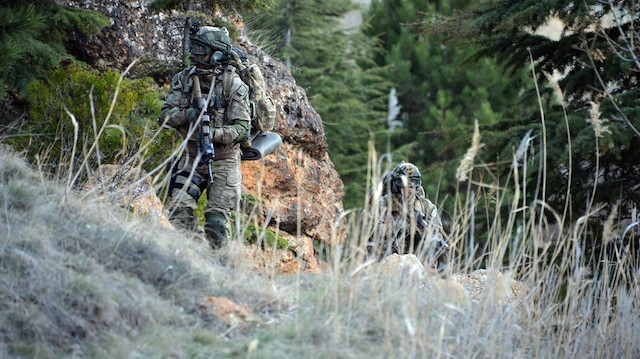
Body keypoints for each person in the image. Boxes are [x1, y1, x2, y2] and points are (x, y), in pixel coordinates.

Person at [158, 23, 251, 248]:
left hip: (224, 161)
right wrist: (189, 115)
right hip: (190, 157)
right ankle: (193, 255)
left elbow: (242, 129)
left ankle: (219, 267)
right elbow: (165, 117)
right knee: (179, 214)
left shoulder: (233, 85)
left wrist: (214, 134)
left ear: (216, 53)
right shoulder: (184, 79)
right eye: (193, 47)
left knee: (216, 227)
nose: (193, 53)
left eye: (200, 49)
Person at [368, 161, 449, 271]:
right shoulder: (383, 204)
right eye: (405, 182)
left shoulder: (426, 206)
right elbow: (373, 232)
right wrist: (403, 227)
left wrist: (422, 231)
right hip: (386, 260)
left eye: (413, 182)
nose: (410, 186)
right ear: (397, 183)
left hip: (417, 261)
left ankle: (440, 278)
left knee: (438, 245)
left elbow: (436, 231)